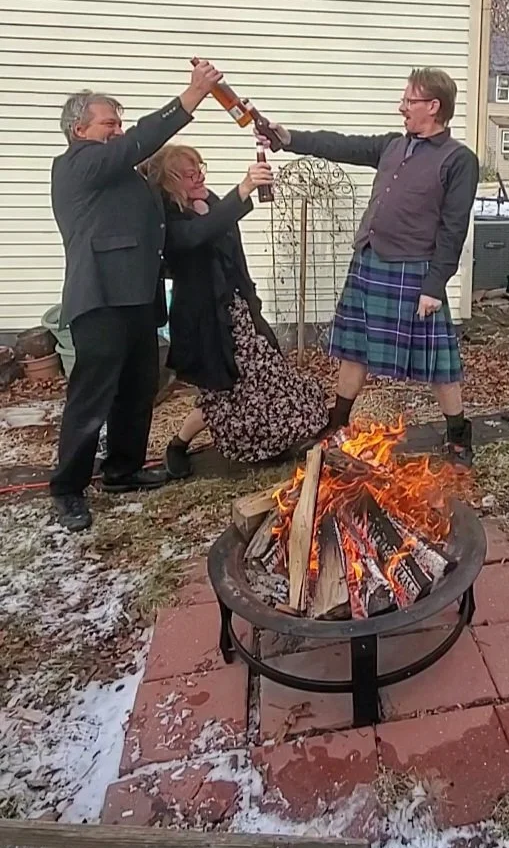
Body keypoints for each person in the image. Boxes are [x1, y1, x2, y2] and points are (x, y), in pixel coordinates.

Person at [257, 67, 479, 468]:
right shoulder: (393, 145)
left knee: (438, 362)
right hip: (370, 261)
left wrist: (435, 285)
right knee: (354, 349)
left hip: (414, 271)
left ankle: (459, 434)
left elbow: (454, 228)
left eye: (409, 100)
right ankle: (337, 421)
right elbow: (342, 145)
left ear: (433, 106)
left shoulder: (458, 160)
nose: (401, 107)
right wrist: (288, 139)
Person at [49, 60, 223, 532]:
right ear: (80, 129)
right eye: (109, 124)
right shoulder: (77, 164)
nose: (118, 131)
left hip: (138, 297)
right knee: (92, 397)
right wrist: (191, 96)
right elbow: (139, 142)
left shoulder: (119, 172)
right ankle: (67, 489)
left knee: (137, 388)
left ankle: (122, 471)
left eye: (119, 124)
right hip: (100, 298)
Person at [144, 144, 329, 476]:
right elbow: (197, 235)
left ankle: (282, 438)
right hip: (206, 321)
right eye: (190, 174)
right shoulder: (168, 219)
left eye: (200, 169)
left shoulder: (210, 201)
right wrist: (244, 188)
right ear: (171, 182)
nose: (200, 177)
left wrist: (251, 300)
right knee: (224, 390)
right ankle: (179, 444)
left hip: (238, 310)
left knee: (267, 375)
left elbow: (232, 251)